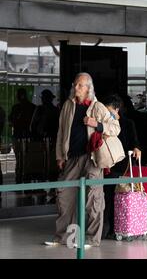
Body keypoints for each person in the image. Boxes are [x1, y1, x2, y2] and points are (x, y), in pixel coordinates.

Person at [44, 73, 120, 248]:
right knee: (64, 195)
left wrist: (97, 124)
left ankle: (92, 239)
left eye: (80, 85)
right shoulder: (67, 106)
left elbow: (116, 127)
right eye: (75, 84)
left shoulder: (98, 107)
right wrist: (59, 156)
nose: (75, 88)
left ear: (88, 88)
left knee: (93, 198)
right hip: (72, 158)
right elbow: (61, 133)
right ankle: (62, 237)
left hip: (93, 158)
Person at [102, 94, 141, 239]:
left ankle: (114, 228)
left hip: (121, 165)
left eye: (109, 111)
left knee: (115, 196)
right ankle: (106, 229)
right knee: (106, 197)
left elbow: (135, 142)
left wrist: (136, 148)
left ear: (117, 109)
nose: (107, 114)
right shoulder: (103, 124)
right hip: (106, 164)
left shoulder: (127, 124)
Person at [8, 88, 36, 184]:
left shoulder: (16, 107)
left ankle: (20, 177)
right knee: (28, 158)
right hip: (28, 137)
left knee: (19, 159)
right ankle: (26, 176)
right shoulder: (32, 107)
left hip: (19, 136)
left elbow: (10, 121)